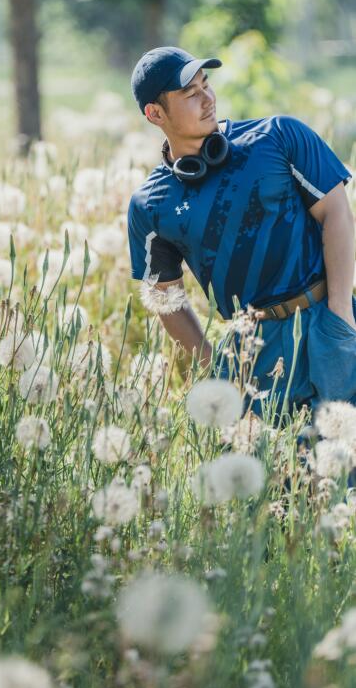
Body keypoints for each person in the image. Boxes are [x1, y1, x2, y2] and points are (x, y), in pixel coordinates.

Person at [127, 46, 355, 423]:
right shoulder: (150, 205)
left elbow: (337, 213)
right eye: (190, 93)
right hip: (253, 353)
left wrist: (341, 314)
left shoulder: (279, 136)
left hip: (327, 320)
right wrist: (216, 370)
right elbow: (164, 296)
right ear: (155, 114)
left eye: (206, 85)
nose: (207, 98)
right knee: (276, 461)